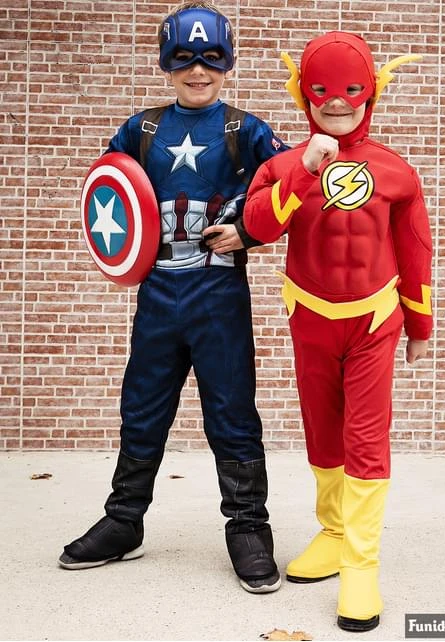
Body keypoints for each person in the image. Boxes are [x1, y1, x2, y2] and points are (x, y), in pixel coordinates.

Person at [59, 1, 289, 594]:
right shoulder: (142, 129)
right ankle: (123, 520)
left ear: (227, 62)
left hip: (219, 291)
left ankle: (248, 527)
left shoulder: (245, 130)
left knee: (232, 411)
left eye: (210, 59)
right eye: (184, 59)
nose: (198, 71)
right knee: (141, 405)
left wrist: (250, 230)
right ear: (167, 62)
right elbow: (107, 194)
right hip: (158, 291)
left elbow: (291, 188)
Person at [244, 31, 433, 629]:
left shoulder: (397, 171)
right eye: (322, 89)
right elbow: (258, 227)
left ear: (371, 92)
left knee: (365, 440)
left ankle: (361, 565)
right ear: (303, 92)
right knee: (322, 433)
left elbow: (415, 248)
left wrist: (420, 323)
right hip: (311, 316)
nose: (336, 101)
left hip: (374, 320)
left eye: (351, 89)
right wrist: (304, 169)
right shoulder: (281, 165)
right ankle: (332, 532)